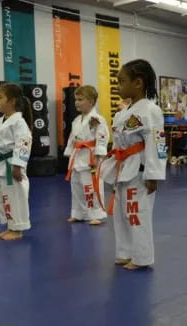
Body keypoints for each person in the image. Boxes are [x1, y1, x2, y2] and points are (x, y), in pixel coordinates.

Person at [99, 59, 166, 270]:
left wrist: (154, 175)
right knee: (121, 215)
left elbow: (158, 143)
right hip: (123, 168)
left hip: (140, 171)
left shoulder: (150, 110)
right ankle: (124, 252)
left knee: (137, 214)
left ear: (138, 83)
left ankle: (142, 257)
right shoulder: (125, 111)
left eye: (121, 82)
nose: (118, 86)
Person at [0, 83, 32, 241]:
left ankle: (18, 229)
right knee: (2, 197)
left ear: (11, 101)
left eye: (0, 97)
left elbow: (23, 143)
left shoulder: (19, 122)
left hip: (11, 164)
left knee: (15, 196)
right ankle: (10, 226)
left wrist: (18, 166)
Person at [64, 86, 109, 225]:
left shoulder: (96, 119)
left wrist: (98, 155)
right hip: (78, 156)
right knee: (76, 186)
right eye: (75, 99)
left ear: (91, 101)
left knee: (91, 187)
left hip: (90, 156)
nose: (76, 102)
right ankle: (78, 213)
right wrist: (69, 151)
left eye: (80, 99)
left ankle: (95, 213)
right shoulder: (76, 120)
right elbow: (72, 138)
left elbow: (102, 137)